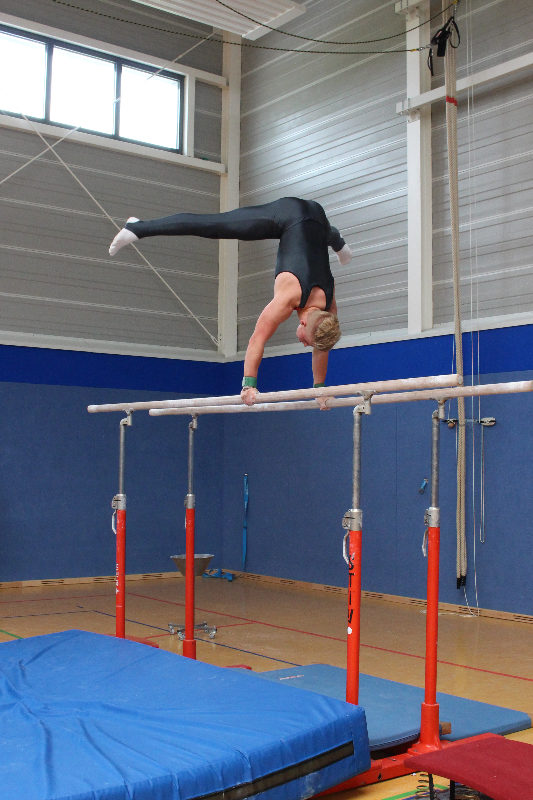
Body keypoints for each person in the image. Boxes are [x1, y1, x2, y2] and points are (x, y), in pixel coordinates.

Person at [109, 197, 352, 406]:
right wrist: (249, 384)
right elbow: (257, 339)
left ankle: (336, 239)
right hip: (287, 213)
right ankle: (138, 227)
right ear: (303, 325)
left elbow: (322, 348)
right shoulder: (287, 298)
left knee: (315, 233)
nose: (305, 345)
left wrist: (319, 389)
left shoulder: (328, 308)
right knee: (216, 225)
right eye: (307, 342)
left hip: (318, 217)